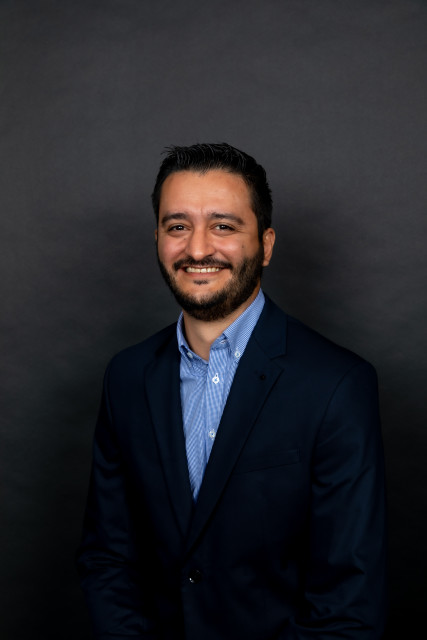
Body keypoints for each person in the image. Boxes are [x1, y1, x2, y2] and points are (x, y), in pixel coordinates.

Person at [77, 143, 387, 639]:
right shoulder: (127, 377)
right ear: (157, 238)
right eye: (178, 226)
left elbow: (347, 601)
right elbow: (108, 559)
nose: (198, 249)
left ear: (265, 244)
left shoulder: (337, 385)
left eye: (223, 226)